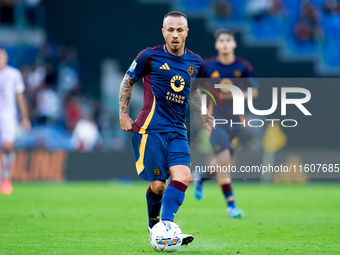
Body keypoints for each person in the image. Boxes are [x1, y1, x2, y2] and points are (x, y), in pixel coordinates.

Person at [119, 11, 214, 245]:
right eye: (170, 30)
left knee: (184, 176)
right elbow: (128, 80)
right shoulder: (149, 57)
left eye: (179, 30)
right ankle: (154, 227)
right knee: (159, 186)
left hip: (177, 131)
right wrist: (123, 114)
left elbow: (195, 92)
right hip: (149, 130)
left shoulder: (196, 63)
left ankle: (167, 228)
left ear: (186, 32)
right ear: (163, 31)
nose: (174, 35)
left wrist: (204, 113)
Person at [194, 29, 259, 218]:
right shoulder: (207, 66)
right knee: (224, 163)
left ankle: (201, 177)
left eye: (227, 40)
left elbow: (254, 91)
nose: (224, 43)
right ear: (216, 45)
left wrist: (239, 94)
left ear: (233, 44)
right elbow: (195, 91)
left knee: (224, 163)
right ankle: (231, 205)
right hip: (215, 121)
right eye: (221, 40)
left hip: (235, 122)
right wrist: (203, 112)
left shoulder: (243, 66)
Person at [0, 47, 31, 194]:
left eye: (2, 56)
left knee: (7, 146)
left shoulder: (14, 74)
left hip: (8, 116)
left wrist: (25, 118)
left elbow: (20, 96)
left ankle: (6, 178)